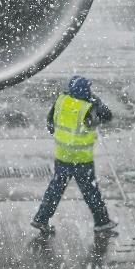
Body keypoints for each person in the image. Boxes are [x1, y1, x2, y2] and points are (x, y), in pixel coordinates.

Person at [31, 76, 118, 235]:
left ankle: (41, 218)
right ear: (85, 92)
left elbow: (50, 124)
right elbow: (108, 115)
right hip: (81, 158)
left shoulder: (61, 101)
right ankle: (102, 222)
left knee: (55, 188)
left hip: (62, 155)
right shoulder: (88, 106)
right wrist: (97, 102)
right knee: (90, 190)